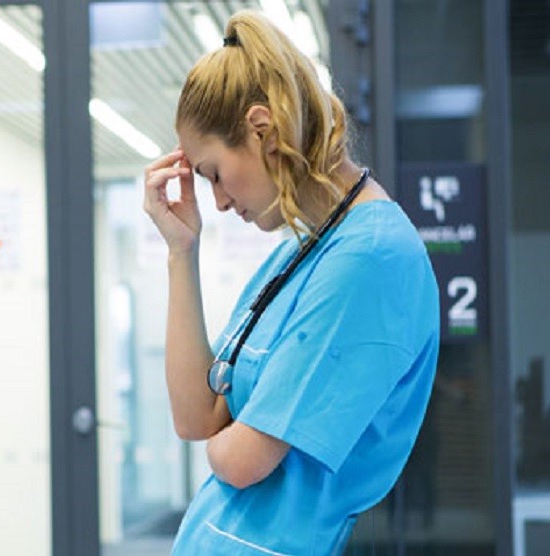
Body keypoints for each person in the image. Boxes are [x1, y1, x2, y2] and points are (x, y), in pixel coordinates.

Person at [142, 10, 439, 556]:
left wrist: (224, 442)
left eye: (213, 173)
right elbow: (196, 416)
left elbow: (241, 459)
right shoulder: (302, 254)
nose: (221, 201)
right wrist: (181, 252)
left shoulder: (369, 259)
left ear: (261, 129)